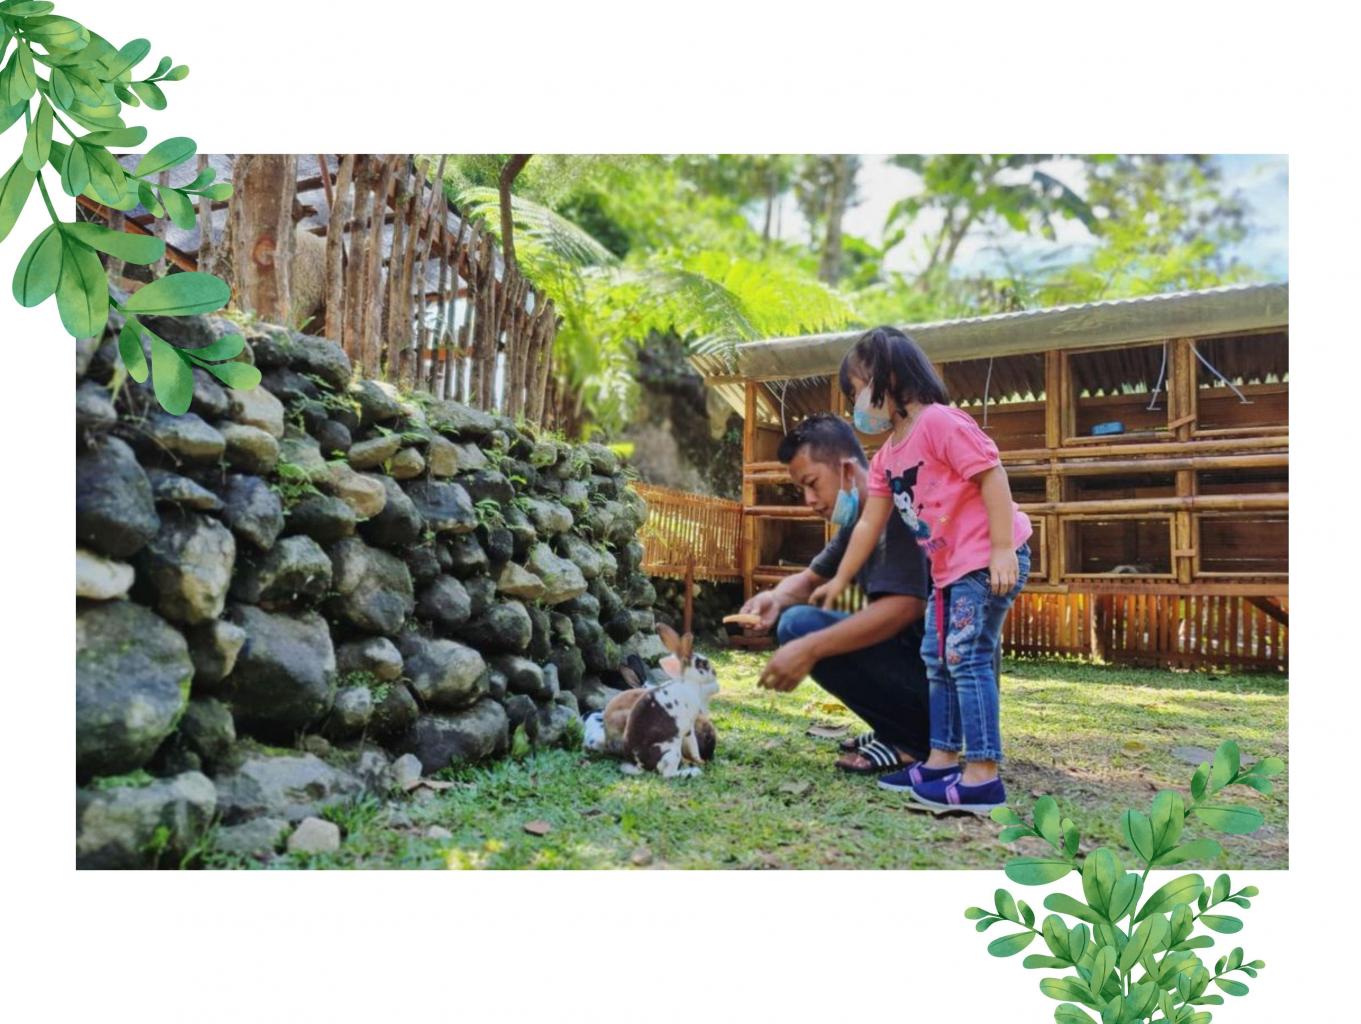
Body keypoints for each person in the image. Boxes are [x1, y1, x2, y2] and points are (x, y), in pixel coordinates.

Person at [808, 326, 1032, 813]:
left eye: (857, 389)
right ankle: (940, 762)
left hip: (986, 561)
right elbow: (869, 523)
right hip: (950, 571)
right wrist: (840, 578)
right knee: (938, 657)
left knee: (965, 656)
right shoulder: (888, 456)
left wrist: (1001, 550)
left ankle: (983, 776)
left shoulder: (940, 423)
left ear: (888, 377)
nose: (855, 404)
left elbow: (992, 475)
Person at [739, 413, 932, 775]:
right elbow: (811, 579)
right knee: (794, 620)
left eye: (812, 484)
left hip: (942, 684)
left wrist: (809, 648)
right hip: (916, 670)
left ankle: (912, 739)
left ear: (846, 470)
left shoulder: (892, 511)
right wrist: (775, 598)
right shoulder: (857, 521)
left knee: (800, 628)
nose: (809, 500)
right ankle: (895, 724)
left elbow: (906, 606)